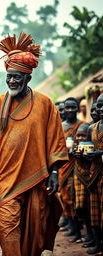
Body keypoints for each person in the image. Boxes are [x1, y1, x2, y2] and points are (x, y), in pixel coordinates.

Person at [0, 32, 68, 256]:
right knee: (7, 228)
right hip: (5, 180)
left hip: (37, 179)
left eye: (17, 77)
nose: (12, 81)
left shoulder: (45, 104)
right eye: (9, 76)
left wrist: (55, 172)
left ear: (28, 78)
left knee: (34, 231)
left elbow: (55, 139)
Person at [59, 97, 84, 241]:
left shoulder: (83, 126)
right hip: (64, 166)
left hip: (81, 166)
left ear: (78, 109)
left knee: (78, 199)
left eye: (72, 107)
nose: (69, 110)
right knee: (66, 198)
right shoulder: (60, 127)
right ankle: (74, 230)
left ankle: (81, 231)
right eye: (67, 107)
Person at [84, 94, 103, 254]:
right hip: (94, 175)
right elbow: (89, 149)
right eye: (99, 105)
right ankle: (98, 244)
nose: (101, 109)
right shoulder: (92, 128)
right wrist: (84, 154)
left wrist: (100, 153)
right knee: (95, 212)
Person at [72, 123, 93, 245]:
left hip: (91, 179)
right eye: (78, 136)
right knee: (80, 208)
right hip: (79, 179)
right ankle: (86, 233)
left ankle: (91, 236)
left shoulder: (91, 147)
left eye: (83, 136)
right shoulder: (76, 148)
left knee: (91, 209)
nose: (80, 139)